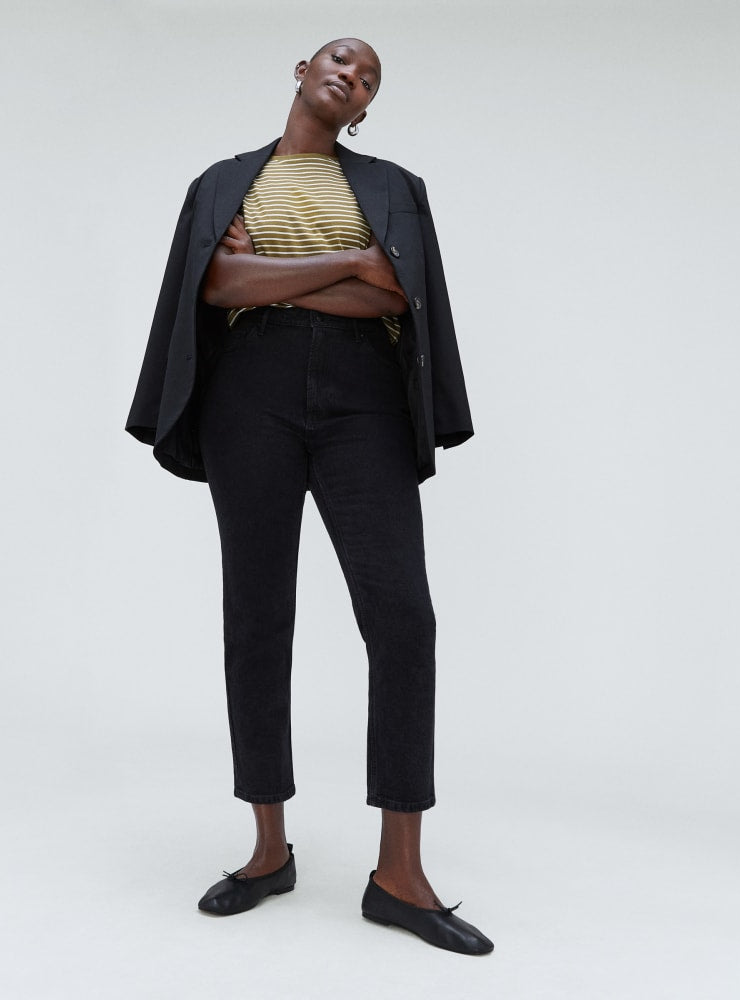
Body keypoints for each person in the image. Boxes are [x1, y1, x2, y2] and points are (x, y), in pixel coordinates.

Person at [125, 37, 493, 956]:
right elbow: (216, 286)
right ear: (301, 70)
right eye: (340, 61)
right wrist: (350, 266)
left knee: (402, 617)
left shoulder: (395, 187)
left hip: (365, 398)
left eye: (368, 78)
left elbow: (399, 299)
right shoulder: (223, 182)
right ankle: (267, 851)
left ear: (366, 109)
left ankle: (399, 875)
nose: (351, 76)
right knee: (257, 615)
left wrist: (292, 276)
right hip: (248, 395)